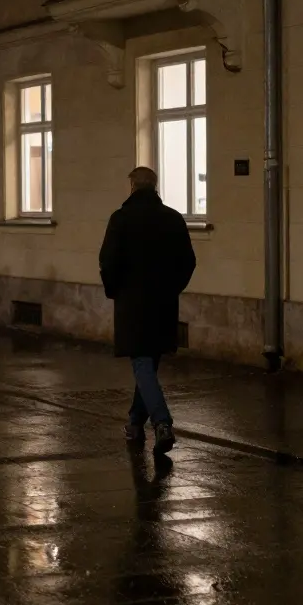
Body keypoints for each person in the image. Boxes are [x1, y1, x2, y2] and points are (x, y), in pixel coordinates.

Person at [99, 166, 196, 454]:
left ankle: (162, 423)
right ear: (154, 186)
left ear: (131, 186)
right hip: (163, 302)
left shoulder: (121, 219)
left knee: (142, 363)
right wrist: (173, 288)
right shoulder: (173, 219)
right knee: (149, 364)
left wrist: (114, 290)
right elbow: (188, 261)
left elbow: (108, 261)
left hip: (132, 304)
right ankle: (134, 422)